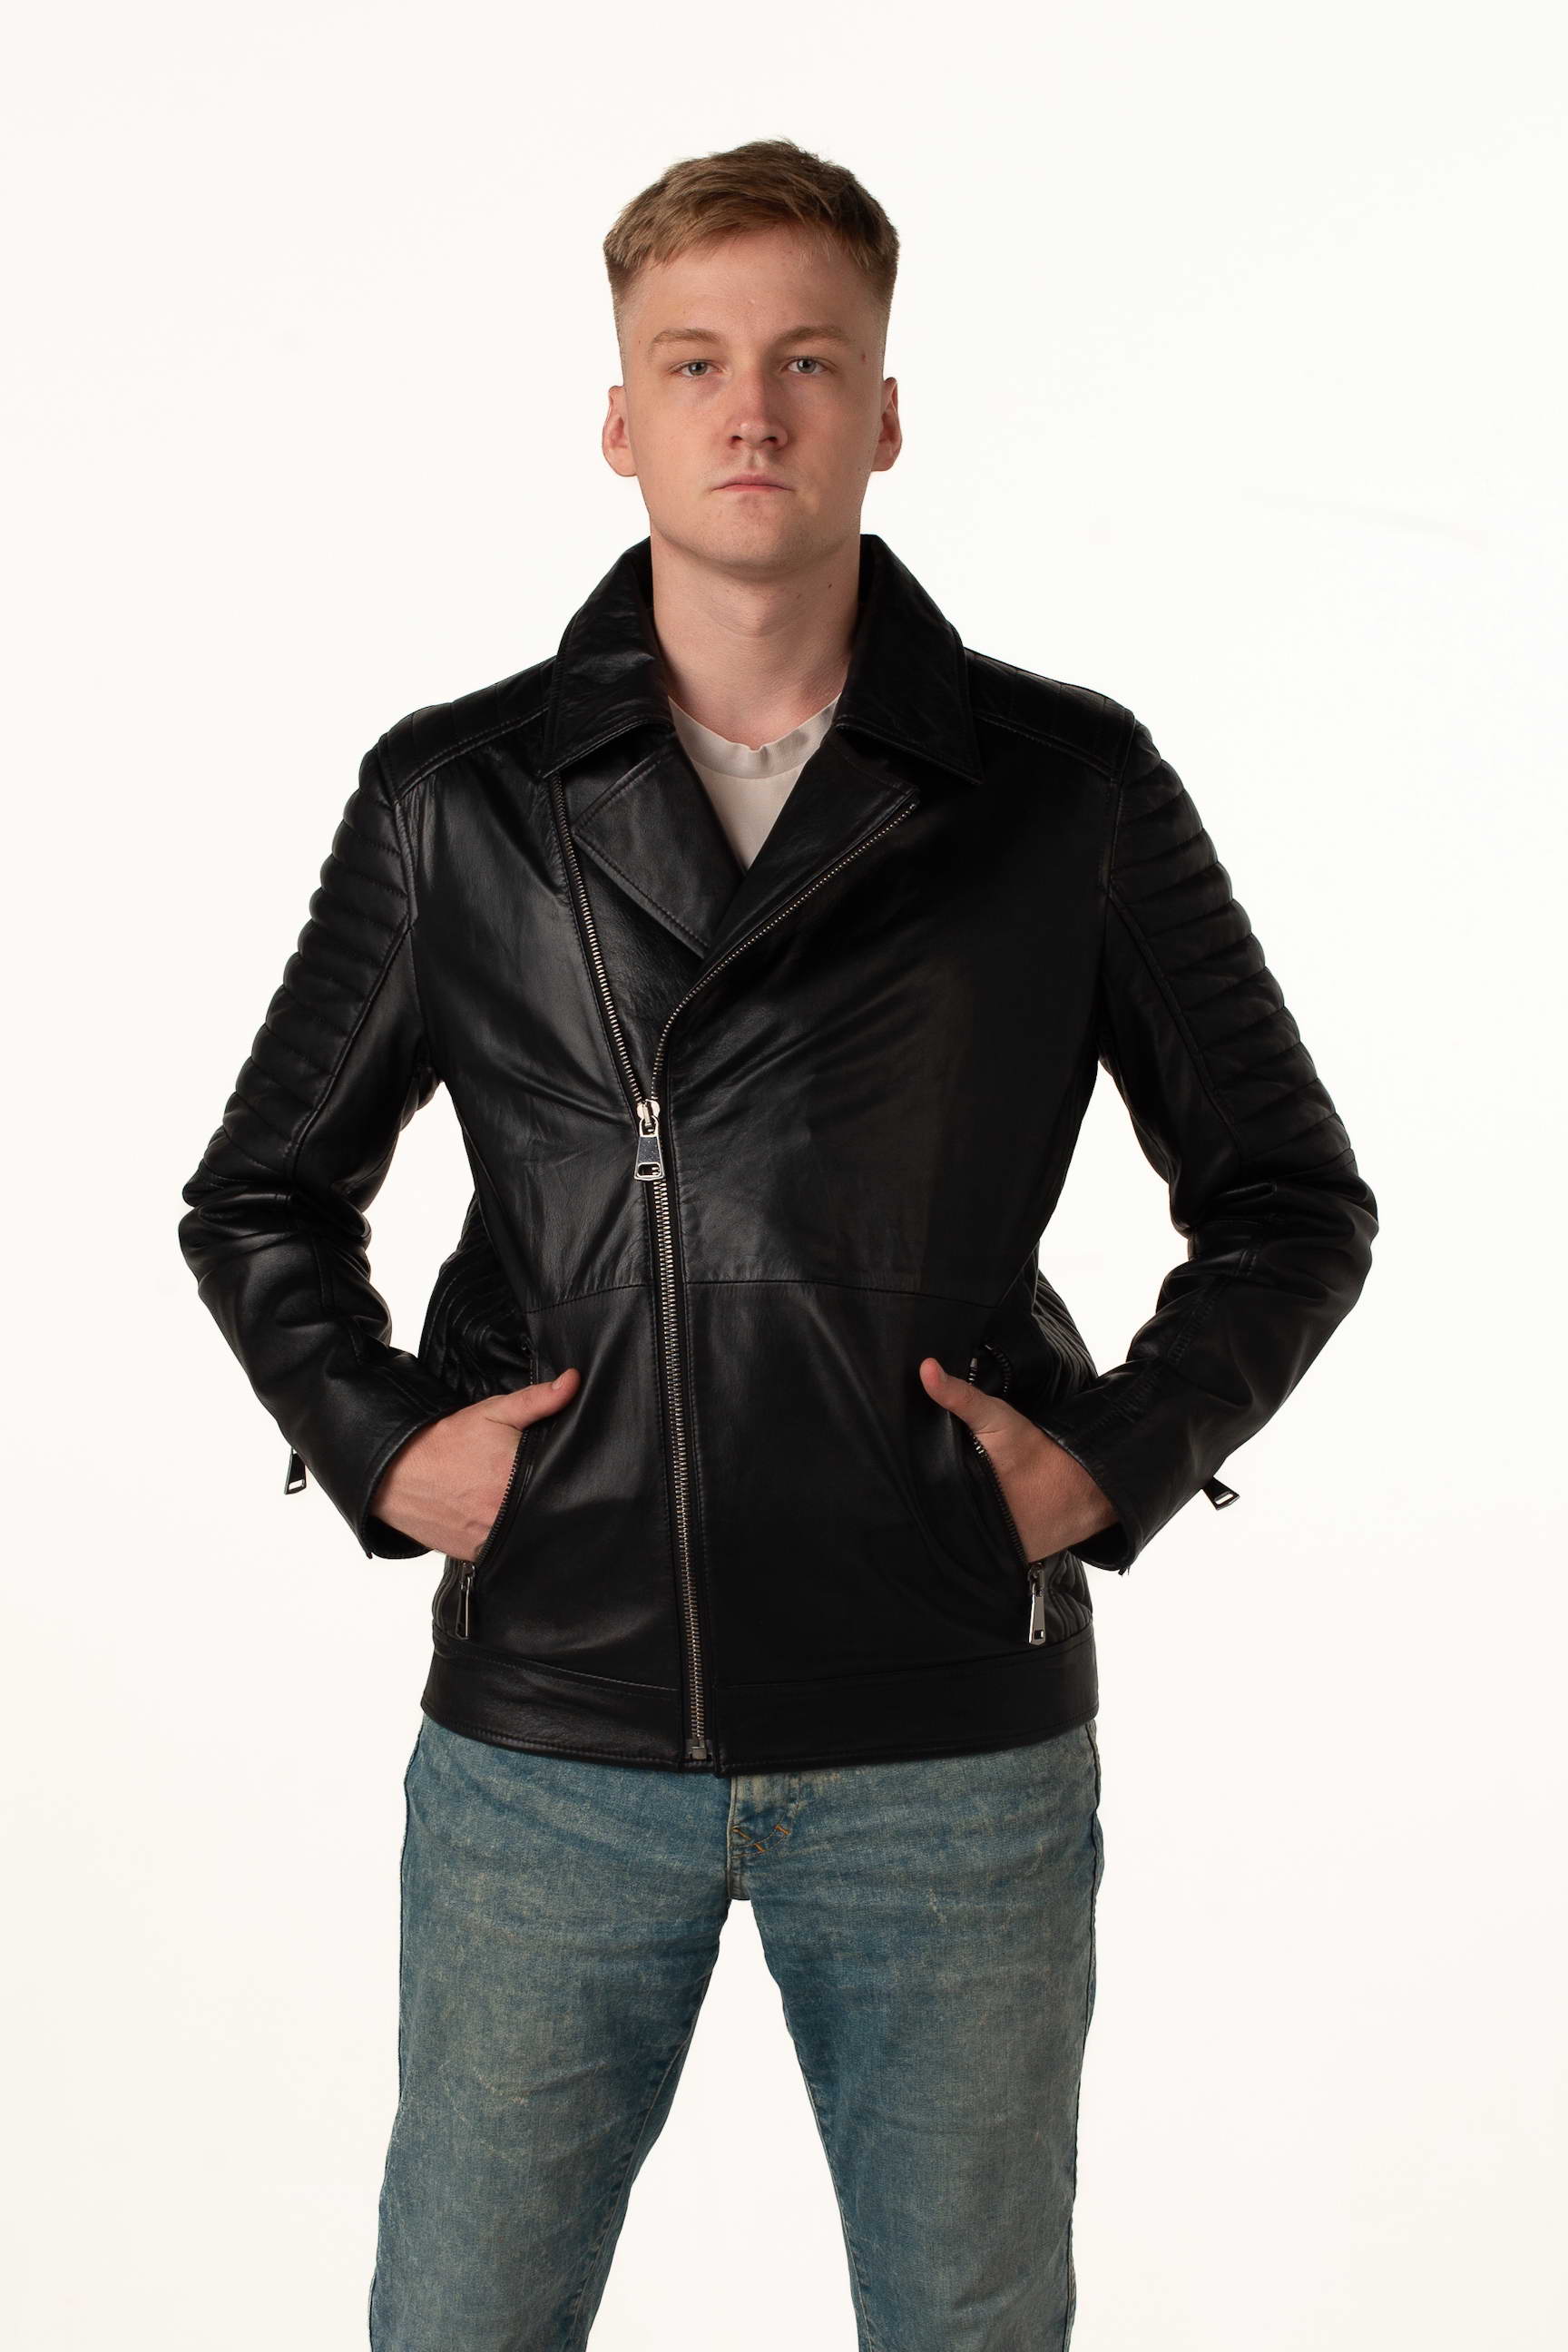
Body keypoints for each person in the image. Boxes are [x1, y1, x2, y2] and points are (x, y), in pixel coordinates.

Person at [178, 137, 1378, 2350]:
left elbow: (1291, 1198)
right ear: (618, 419)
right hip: (557, 1721)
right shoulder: (458, 797)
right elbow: (260, 1189)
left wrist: (1111, 1463)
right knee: (461, 2320)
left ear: (885, 413)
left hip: (948, 1733)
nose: (754, 410)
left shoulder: (1064, 789)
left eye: (809, 362)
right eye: (697, 363)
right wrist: (384, 1446)